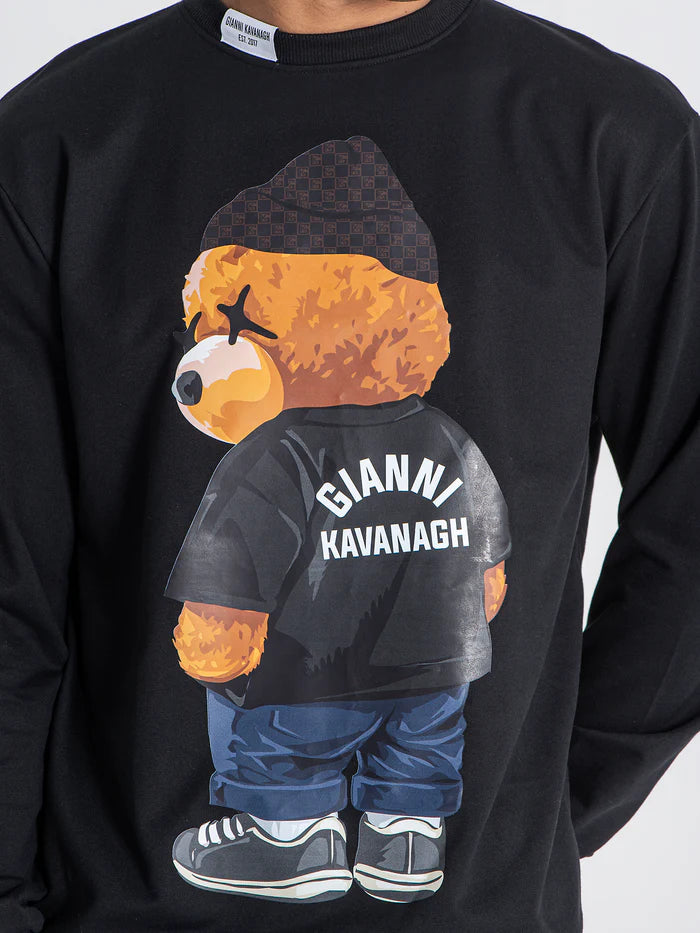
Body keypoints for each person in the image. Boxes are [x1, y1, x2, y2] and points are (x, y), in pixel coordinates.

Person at [0, 0, 697, 930]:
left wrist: (544, 807)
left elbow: (690, 525)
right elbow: (10, 594)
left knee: (269, 726)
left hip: (304, 693)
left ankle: (287, 831)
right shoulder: (54, 145)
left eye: (240, 328)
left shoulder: (615, 139)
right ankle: (407, 828)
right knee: (417, 743)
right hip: (393, 713)